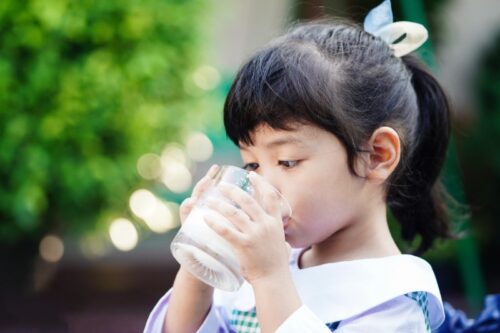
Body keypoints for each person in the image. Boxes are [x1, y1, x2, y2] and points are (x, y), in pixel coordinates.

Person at [144, 1, 453, 332]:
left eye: (287, 161)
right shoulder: (273, 260)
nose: (264, 186)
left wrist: (269, 277)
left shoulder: (394, 298)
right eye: (252, 165)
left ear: (376, 155)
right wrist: (202, 261)